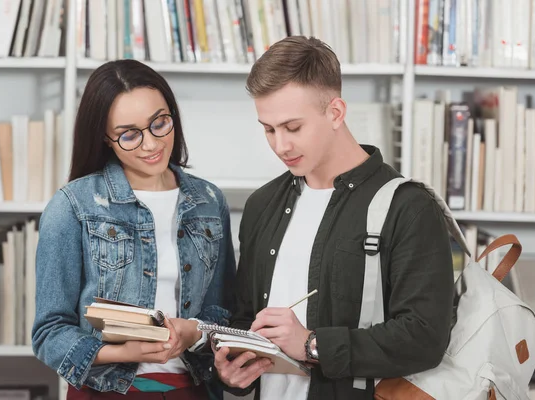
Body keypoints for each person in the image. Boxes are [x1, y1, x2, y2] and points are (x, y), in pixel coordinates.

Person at [213, 36, 454, 400]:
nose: (281, 146)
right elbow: (245, 317)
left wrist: (312, 344)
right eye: (268, 129)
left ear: (336, 113)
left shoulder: (409, 208)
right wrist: (233, 366)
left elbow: (424, 338)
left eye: (293, 127)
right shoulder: (262, 204)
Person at [32, 59, 236, 400]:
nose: (151, 144)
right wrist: (125, 352)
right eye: (129, 134)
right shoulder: (73, 206)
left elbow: (221, 313)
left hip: (193, 390)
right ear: (105, 138)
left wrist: (195, 332)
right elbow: (49, 334)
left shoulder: (209, 201)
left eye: (159, 123)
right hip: (104, 392)